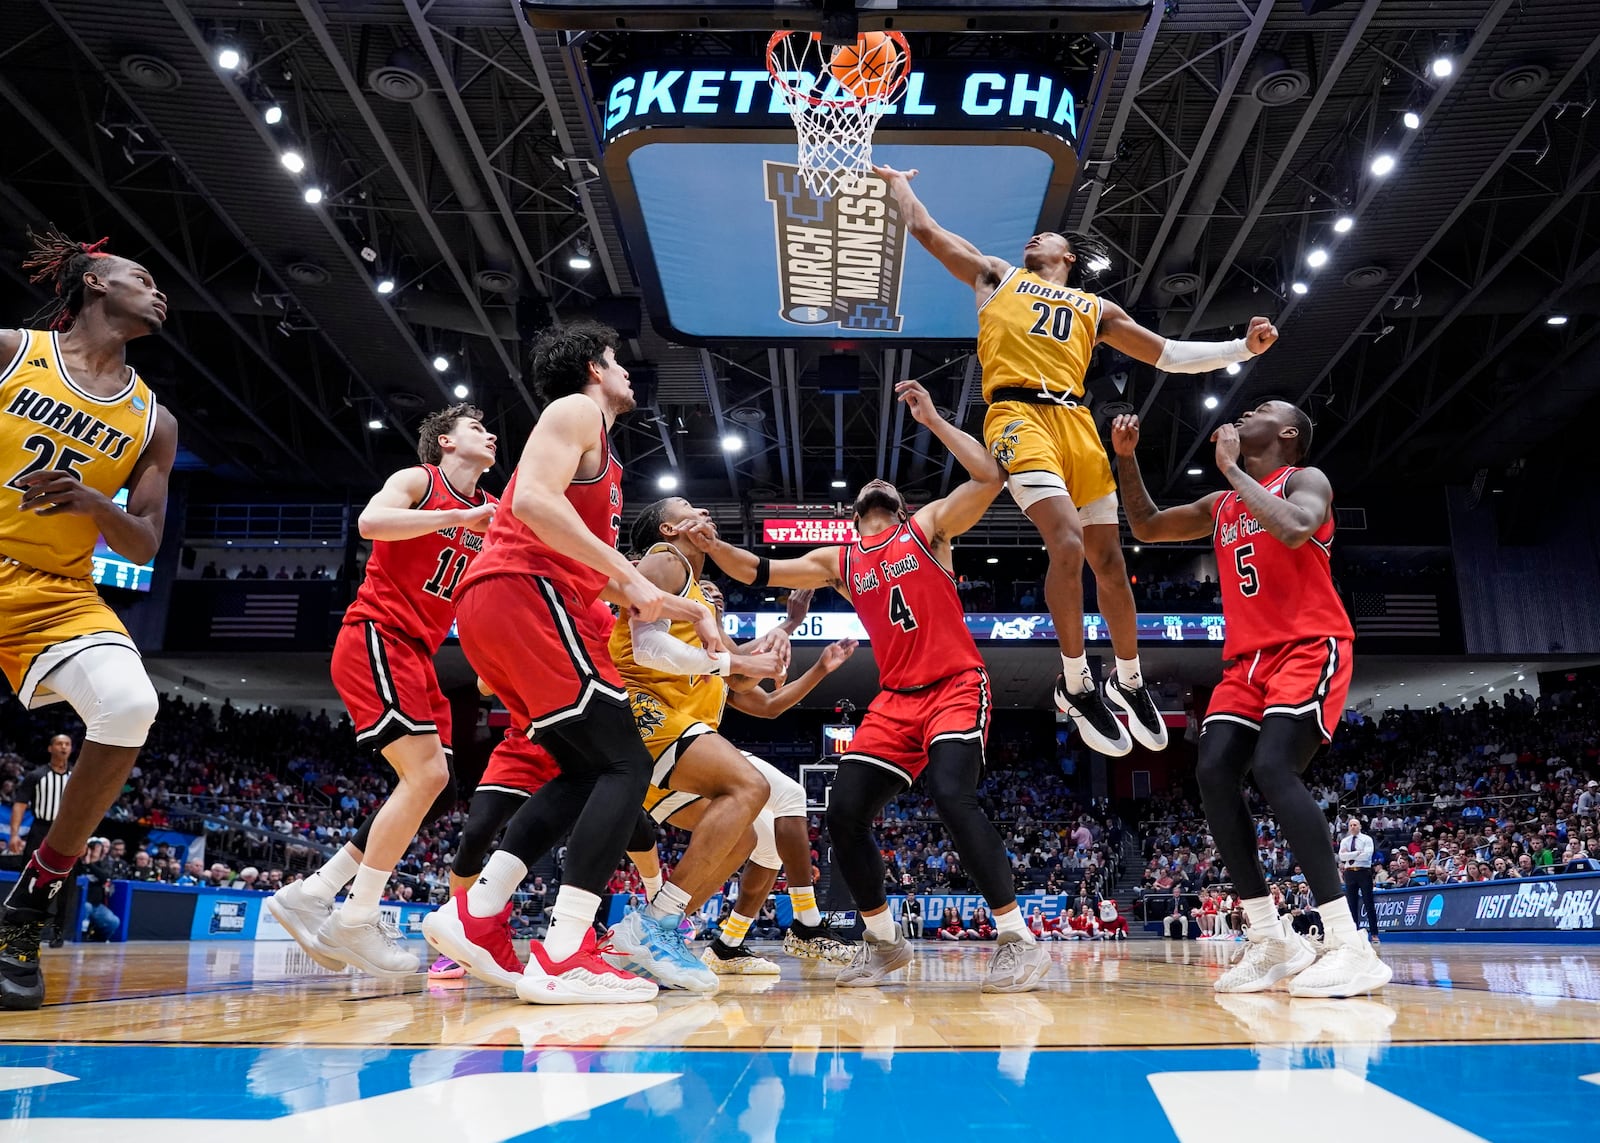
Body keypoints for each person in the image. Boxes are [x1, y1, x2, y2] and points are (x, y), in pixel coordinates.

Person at [874, 163, 1277, 757]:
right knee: (1065, 544)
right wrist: (898, 185)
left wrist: (1240, 347)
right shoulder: (996, 276)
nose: (1034, 238)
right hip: (1016, 417)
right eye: (1033, 237)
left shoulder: (1096, 309)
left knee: (1110, 560)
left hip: (1076, 423)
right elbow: (929, 232)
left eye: (1049, 237)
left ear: (1069, 257)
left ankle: (1130, 679)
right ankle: (1074, 679)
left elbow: (1167, 355)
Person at [688, 379, 1052, 993]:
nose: (875, 487)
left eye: (886, 488)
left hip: (955, 684)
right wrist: (713, 543)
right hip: (895, 701)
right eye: (865, 489)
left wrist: (933, 419)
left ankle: (1017, 937)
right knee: (845, 812)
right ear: (850, 512)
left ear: (901, 506)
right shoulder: (842, 559)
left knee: (951, 792)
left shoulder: (930, 528)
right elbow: (758, 569)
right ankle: (883, 942)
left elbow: (989, 478)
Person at [421, 320, 720, 1005]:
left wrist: (689, 613)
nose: (627, 375)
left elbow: (612, 581)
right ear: (593, 367)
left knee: (587, 769)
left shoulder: (602, 452)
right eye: (618, 362)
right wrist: (636, 579)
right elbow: (530, 502)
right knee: (625, 763)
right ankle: (563, 951)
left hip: (516, 602)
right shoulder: (577, 410)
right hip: (524, 594)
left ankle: (479, 912)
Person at [1113, 402, 1390, 998]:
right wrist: (1127, 460)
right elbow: (1146, 526)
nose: (1248, 409)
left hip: (1309, 645)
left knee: (1271, 766)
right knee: (1213, 771)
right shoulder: (1220, 506)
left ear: (1288, 434)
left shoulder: (1302, 480)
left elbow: (1294, 527)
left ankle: (1348, 942)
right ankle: (1272, 938)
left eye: (1263, 408)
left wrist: (1232, 469)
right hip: (1247, 661)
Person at [0, 228, 176, 1009]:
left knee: (133, 703)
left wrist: (91, 498)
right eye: (141, 276)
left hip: (56, 587)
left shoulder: (152, 420)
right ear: (95, 283)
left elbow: (141, 544)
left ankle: (32, 900)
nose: (157, 289)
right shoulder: (12, 351)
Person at [265, 403, 498, 978]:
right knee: (425, 777)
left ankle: (316, 893)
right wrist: (452, 522)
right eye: (475, 427)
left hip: (420, 654)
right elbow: (371, 523)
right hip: (377, 633)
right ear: (444, 441)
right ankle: (355, 917)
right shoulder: (420, 480)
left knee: (433, 783)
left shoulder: (486, 518)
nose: (490, 434)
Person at [8, 734, 77, 947]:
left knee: (66, 883)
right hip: (41, 829)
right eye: (59, 743)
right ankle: (23, 927)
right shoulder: (37, 775)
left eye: (67, 744)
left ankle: (58, 931)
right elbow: (20, 804)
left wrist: (85, 837)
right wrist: (14, 834)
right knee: (30, 877)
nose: (63, 747)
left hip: (69, 832)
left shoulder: (77, 776)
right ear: (50, 748)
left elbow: (86, 809)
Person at [1339, 816, 1379, 942]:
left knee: (1368, 902)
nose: (1353, 827)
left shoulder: (1367, 839)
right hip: (1350, 873)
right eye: (1351, 825)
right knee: (1351, 904)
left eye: (1355, 825)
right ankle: (1354, 933)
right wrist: (1357, 853)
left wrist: (1349, 855)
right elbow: (1341, 857)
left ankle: (1374, 934)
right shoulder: (1345, 841)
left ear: (1360, 826)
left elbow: (1367, 856)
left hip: (1363, 872)